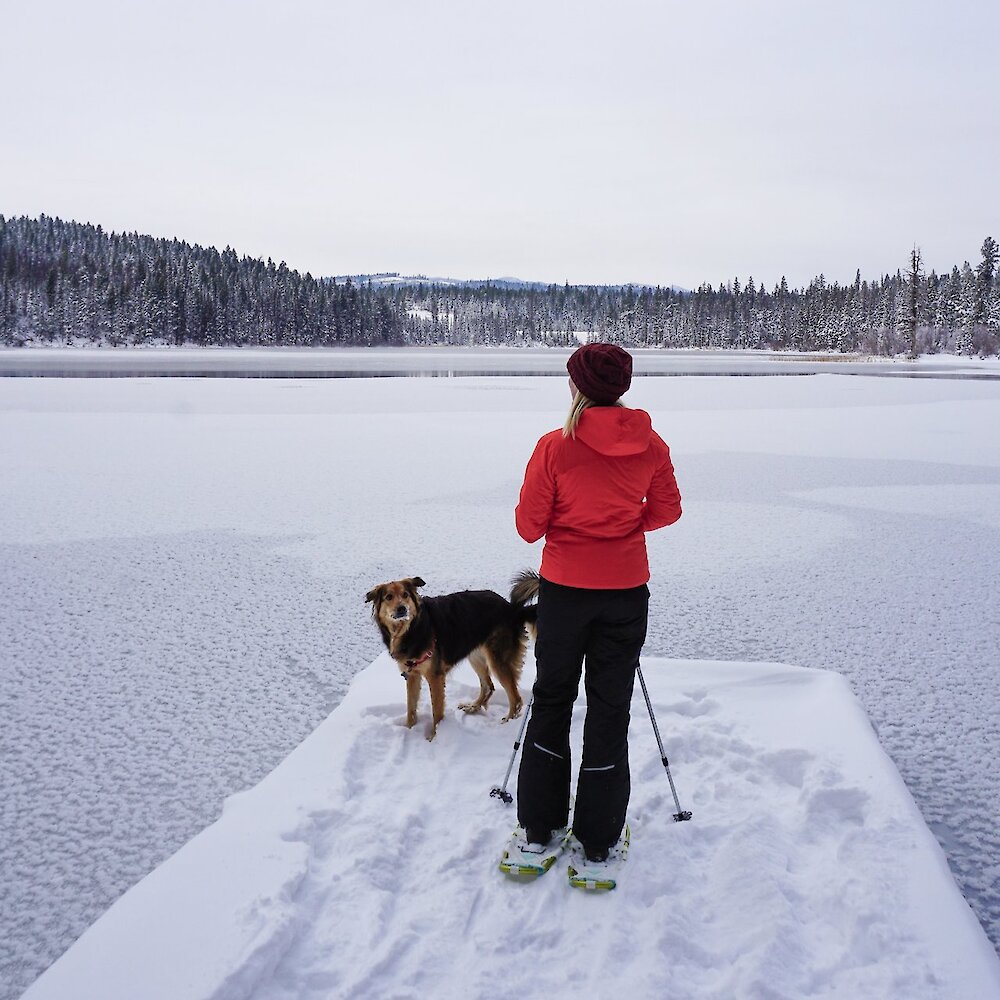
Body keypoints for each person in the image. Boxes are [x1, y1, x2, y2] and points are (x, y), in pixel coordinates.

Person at [512, 342, 682, 879]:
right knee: (610, 708)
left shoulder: (553, 447)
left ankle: (539, 828)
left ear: (577, 387)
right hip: (626, 592)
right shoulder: (650, 445)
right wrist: (626, 528)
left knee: (553, 700)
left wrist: (575, 528)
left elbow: (528, 527)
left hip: (564, 592)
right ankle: (599, 839)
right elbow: (669, 510)